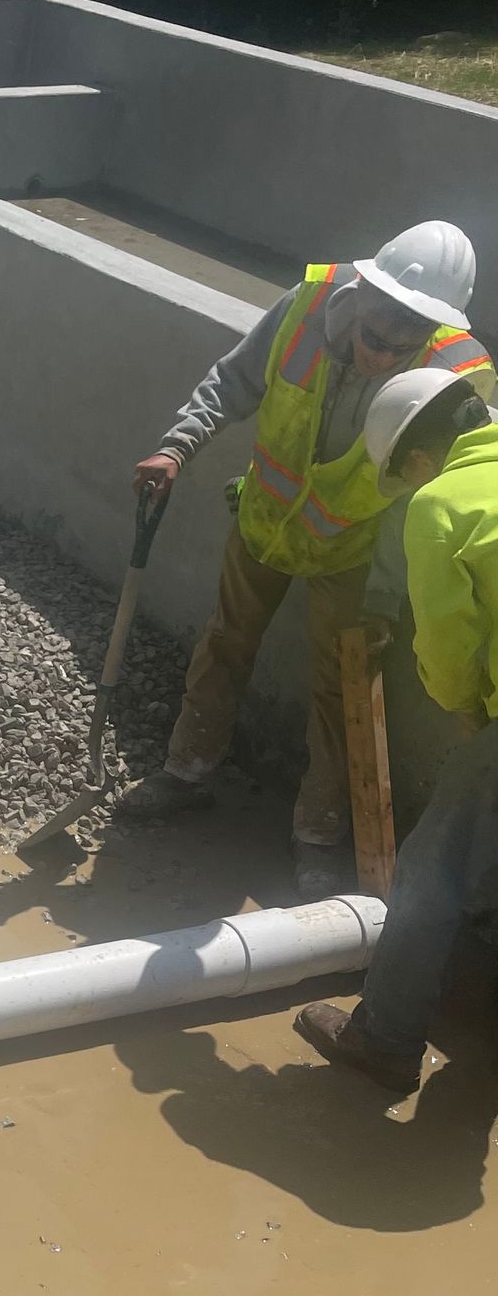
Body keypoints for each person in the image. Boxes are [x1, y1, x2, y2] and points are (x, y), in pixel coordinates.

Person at [123, 222, 493, 897]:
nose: (382, 356)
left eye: (401, 347)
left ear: (432, 332)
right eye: (374, 337)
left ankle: (317, 833)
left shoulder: (458, 378)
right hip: (266, 519)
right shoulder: (305, 306)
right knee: (226, 639)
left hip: (355, 550)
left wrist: (383, 596)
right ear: (364, 293)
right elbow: (234, 380)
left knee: (342, 686)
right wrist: (177, 447)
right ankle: (187, 771)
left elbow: (423, 499)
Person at [296, 365, 498, 1092]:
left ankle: (384, 1039)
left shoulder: (443, 503)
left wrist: (470, 712)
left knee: (434, 874)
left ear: (418, 458)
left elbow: (445, 649)